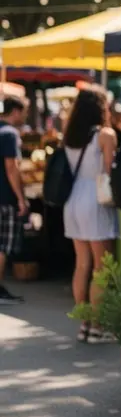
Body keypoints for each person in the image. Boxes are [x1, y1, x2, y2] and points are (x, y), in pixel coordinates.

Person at [62, 89, 120, 343]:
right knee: (101, 267)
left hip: (73, 199)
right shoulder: (105, 135)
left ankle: (84, 324)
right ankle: (97, 326)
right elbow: (108, 172)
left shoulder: (70, 135)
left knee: (82, 264)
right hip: (96, 199)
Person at [0, 97, 28, 306]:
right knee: (2, 246)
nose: (25, 116)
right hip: (4, 198)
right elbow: (11, 168)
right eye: (24, 111)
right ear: (16, 111)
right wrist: (21, 198)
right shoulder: (10, 134)